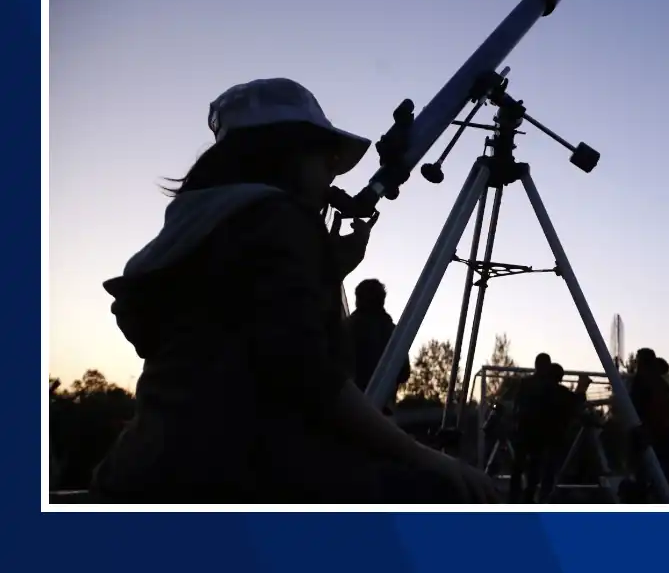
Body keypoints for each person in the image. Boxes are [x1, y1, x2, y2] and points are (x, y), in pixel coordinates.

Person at [91, 78, 498, 504]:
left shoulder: (206, 225)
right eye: (326, 157)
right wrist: (427, 457)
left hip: (148, 472)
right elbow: (304, 373)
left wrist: (328, 268)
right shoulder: (277, 218)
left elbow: (235, 322)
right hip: (238, 481)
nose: (331, 170)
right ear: (285, 151)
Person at [347, 278, 410, 408]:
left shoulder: (346, 327)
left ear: (358, 299)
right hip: (383, 411)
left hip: (349, 410)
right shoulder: (395, 332)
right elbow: (404, 373)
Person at [509, 353, 554, 502]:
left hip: (526, 430)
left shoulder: (526, 383)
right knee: (533, 468)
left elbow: (517, 405)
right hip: (538, 432)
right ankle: (527, 497)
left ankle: (515, 497)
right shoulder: (548, 386)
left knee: (520, 467)